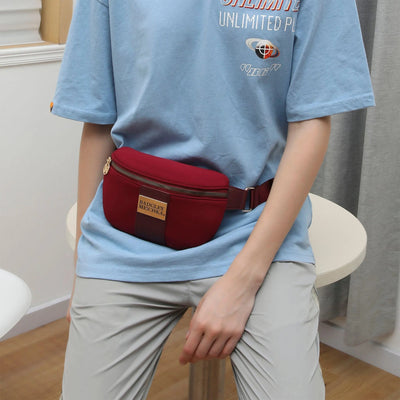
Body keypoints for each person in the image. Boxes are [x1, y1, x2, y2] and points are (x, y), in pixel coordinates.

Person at [51, 0, 375, 398]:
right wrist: (83, 266)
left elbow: (311, 121)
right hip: (128, 238)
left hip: (255, 233)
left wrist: (243, 282)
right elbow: (98, 121)